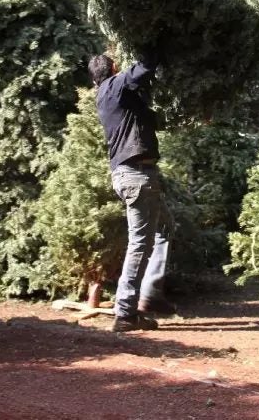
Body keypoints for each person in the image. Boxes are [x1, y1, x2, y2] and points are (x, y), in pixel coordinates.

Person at [87, 51, 176, 332]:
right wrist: (157, 41)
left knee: (165, 227)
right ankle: (125, 312)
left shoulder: (108, 94)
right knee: (140, 243)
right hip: (136, 176)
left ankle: (150, 295)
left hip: (135, 174)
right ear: (113, 68)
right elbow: (146, 65)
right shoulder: (113, 85)